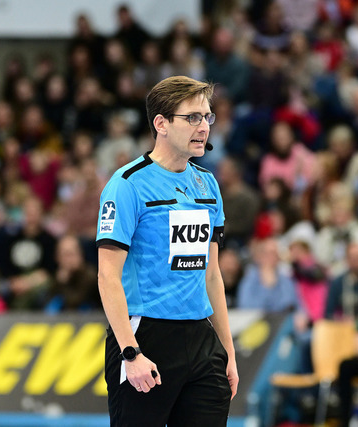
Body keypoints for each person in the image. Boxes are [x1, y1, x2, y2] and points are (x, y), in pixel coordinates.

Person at [96, 76, 237, 426]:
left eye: (207, 117)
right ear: (161, 123)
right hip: (146, 337)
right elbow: (107, 276)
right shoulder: (127, 185)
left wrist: (227, 352)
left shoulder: (208, 184)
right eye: (192, 117)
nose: (203, 126)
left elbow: (212, 275)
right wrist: (131, 353)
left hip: (201, 341)